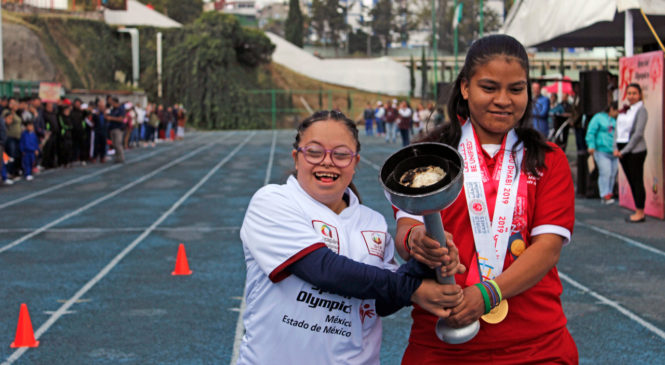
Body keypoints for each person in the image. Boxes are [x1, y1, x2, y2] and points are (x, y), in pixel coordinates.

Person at [397, 34, 578, 364]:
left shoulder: (548, 159)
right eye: (489, 87)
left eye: (516, 89)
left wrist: (489, 293)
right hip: (442, 342)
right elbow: (405, 229)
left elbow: (548, 247)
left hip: (536, 344)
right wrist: (417, 241)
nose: (503, 100)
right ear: (465, 88)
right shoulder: (426, 156)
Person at [238, 110, 464, 364]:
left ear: (355, 163)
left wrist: (426, 258)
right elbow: (323, 269)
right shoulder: (272, 201)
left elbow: (382, 300)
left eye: (341, 154)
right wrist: (412, 288)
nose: (327, 161)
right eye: (314, 152)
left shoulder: (372, 222)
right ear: (297, 158)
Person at [614, 83, 648, 223]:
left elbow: (638, 133)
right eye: (629, 93)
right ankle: (637, 209)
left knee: (637, 181)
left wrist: (624, 151)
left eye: (634, 93)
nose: (631, 96)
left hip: (635, 151)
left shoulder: (641, 110)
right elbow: (617, 130)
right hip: (622, 151)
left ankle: (640, 211)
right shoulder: (624, 110)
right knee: (632, 182)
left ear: (640, 95)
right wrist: (615, 148)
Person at [586, 102, 619, 204]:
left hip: (614, 151)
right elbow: (591, 132)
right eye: (616, 110)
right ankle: (604, 194)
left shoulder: (619, 119)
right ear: (612, 109)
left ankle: (609, 192)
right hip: (601, 150)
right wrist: (591, 145)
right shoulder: (599, 118)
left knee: (613, 173)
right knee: (606, 172)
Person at [106, 97, 126, 163]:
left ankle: (121, 158)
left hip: (118, 129)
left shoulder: (121, 109)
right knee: (114, 144)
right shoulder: (112, 109)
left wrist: (111, 118)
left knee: (118, 144)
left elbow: (120, 119)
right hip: (112, 128)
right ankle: (117, 158)